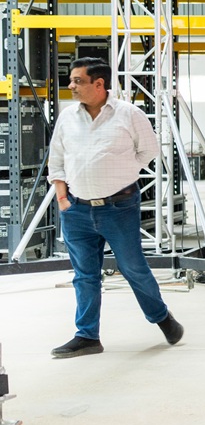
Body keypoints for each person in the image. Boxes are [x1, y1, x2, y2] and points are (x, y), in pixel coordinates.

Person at [47, 58, 184, 358]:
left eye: (77, 81)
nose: (71, 86)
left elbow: (148, 150)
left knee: (133, 268)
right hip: (77, 210)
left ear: (99, 84)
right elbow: (56, 159)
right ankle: (87, 336)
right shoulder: (67, 117)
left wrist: (121, 171)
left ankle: (162, 318)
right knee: (84, 275)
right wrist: (63, 199)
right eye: (71, 80)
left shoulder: (129, 114)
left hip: (118, 207)